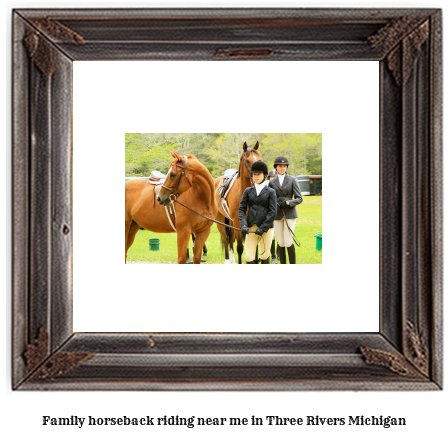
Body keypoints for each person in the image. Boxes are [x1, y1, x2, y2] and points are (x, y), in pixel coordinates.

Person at [238, 161, 277, 264]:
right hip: (251, 227)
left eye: (258, 174)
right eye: (254, 174)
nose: (256, 176)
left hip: (267, 229)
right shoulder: (248, 191)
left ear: (264, 175)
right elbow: (241, 209)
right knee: (249, 256)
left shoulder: (271, 192)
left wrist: (263, 227)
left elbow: (273, 212)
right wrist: (243, 225)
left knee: (264, 255)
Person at [268, 156, 302, 264]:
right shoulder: (272, 182)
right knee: (281, 242)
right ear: (276, 167)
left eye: (284, 166)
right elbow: (269, 198)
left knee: (288, 241)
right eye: (280, 166)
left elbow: (299, 198)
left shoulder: (292, 180)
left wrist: (289, 202)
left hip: (290, 213)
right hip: (277, 214)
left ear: (286, 167)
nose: (282, 168)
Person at [267, 169, 278, 264]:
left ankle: (278, 252)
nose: (272, 179)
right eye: (271, 178)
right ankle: (273, 256)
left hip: (280, 213)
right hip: (270, 213)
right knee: (272, 236)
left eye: (274, 177)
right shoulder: (266, 187)